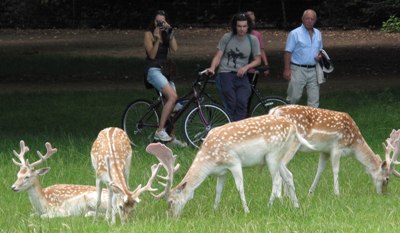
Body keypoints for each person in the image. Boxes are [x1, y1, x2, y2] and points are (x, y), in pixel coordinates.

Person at [207, 13, 261, 121]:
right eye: (239, 26)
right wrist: (212, 68)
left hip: (242, 75)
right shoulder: (227, 37)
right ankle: (233, 129)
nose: (242, 29)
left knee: (242, 102)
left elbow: (258, 60)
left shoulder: (253, 39)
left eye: (244, 26)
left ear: (248, 26)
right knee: (231, 104)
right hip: (225, 73)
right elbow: (218, 55)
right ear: (235, 26)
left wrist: (246, 67)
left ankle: (237, 130)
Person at [144, 10, 178, 142]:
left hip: (164, 71)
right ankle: (159, 131)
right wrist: (157, 39)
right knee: (173, 97)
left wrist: (170, 32)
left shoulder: (167, 33)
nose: (159, 24)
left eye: (162, 21)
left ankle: (170, 136)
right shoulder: (148, 34)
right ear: (153, 21)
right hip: (153, 70)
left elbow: (175, 49)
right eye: (157, 21)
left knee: (173, 105)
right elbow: (152, 55)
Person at [283, 9, 323, 108]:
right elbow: (288, 52)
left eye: (312, 19)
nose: (310, 21)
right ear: (302, 19)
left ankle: (311, 122)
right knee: (294, 97)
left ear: (315, 20)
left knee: (314, 100)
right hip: (298, 69)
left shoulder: (318, 33)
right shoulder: (294, 33)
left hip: (313, 69)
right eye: (307, 18)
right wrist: (287, 69)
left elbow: (320, 50)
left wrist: (320, 56)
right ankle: (286, 118)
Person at [245, 11, 269, 115]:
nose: (253, 22)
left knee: (249, 93)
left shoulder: (256, 35)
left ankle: (246, 114)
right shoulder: (240, 34)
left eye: (254, 20)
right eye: (251, 20)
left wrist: (266, 64)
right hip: (241, 68)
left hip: (252, 69)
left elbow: (261, 50)